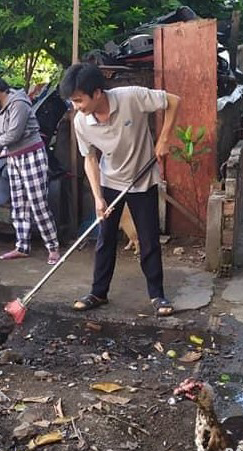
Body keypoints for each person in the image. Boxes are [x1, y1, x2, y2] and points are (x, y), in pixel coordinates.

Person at [59, 63, 180, 316]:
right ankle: (98, 293)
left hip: (142, 180)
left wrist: (165, 137)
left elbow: (173, 101)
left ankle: (157, 296)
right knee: (106, 239)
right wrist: (98, 198)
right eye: (72, 101)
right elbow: (89, 158)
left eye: (79, 100)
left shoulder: (131, 97)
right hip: (110, 181)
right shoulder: (81, 122)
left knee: (148, 241)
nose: (76, 107)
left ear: (97, 93)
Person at [0, 74, 61, 265]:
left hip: (32, 155)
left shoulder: (19, 103)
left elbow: (13, 135)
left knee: (38, 204)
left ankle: (53, 248)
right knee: (19, 204)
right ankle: (22, 246)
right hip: (14, 158)